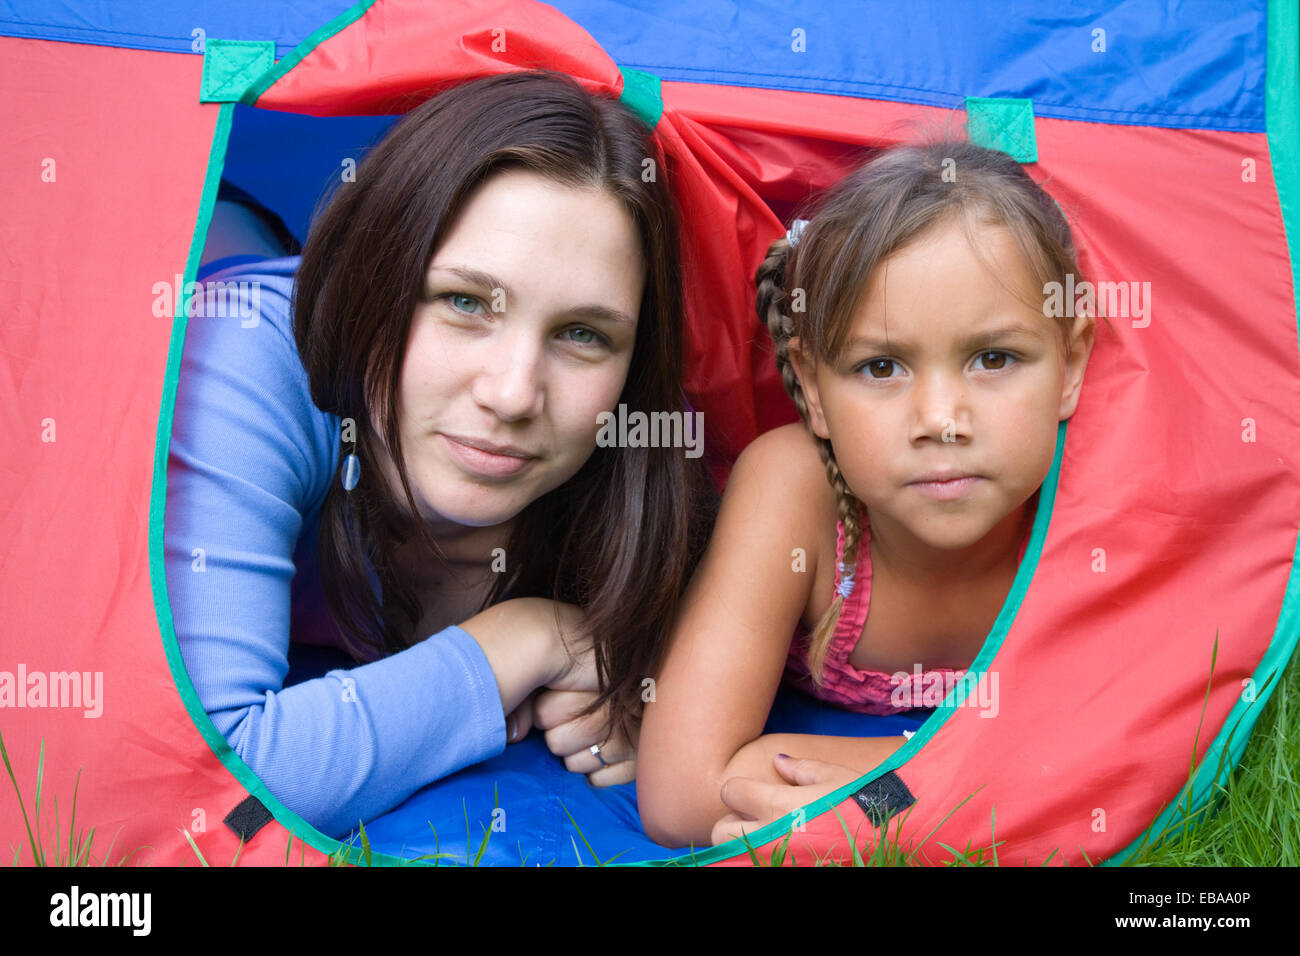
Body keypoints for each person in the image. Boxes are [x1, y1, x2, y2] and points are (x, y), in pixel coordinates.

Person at [165, 70, 714, 839]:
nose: (515, 394)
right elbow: (215, 780)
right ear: (375, 278)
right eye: (464, 302)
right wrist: (524, 639)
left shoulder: (642, 454)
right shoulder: (248, 359)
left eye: (583, 334)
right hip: (217, 254)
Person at [637, 139, 1097, 849]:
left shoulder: (1096, 501)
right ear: (814, 390)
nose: (941, 419)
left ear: (1070, 363)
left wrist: (919, 792)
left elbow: (1137, 751)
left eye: (994, 358)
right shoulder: (797, 490)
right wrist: (992, 782)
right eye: (881, 366)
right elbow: (683, 794)